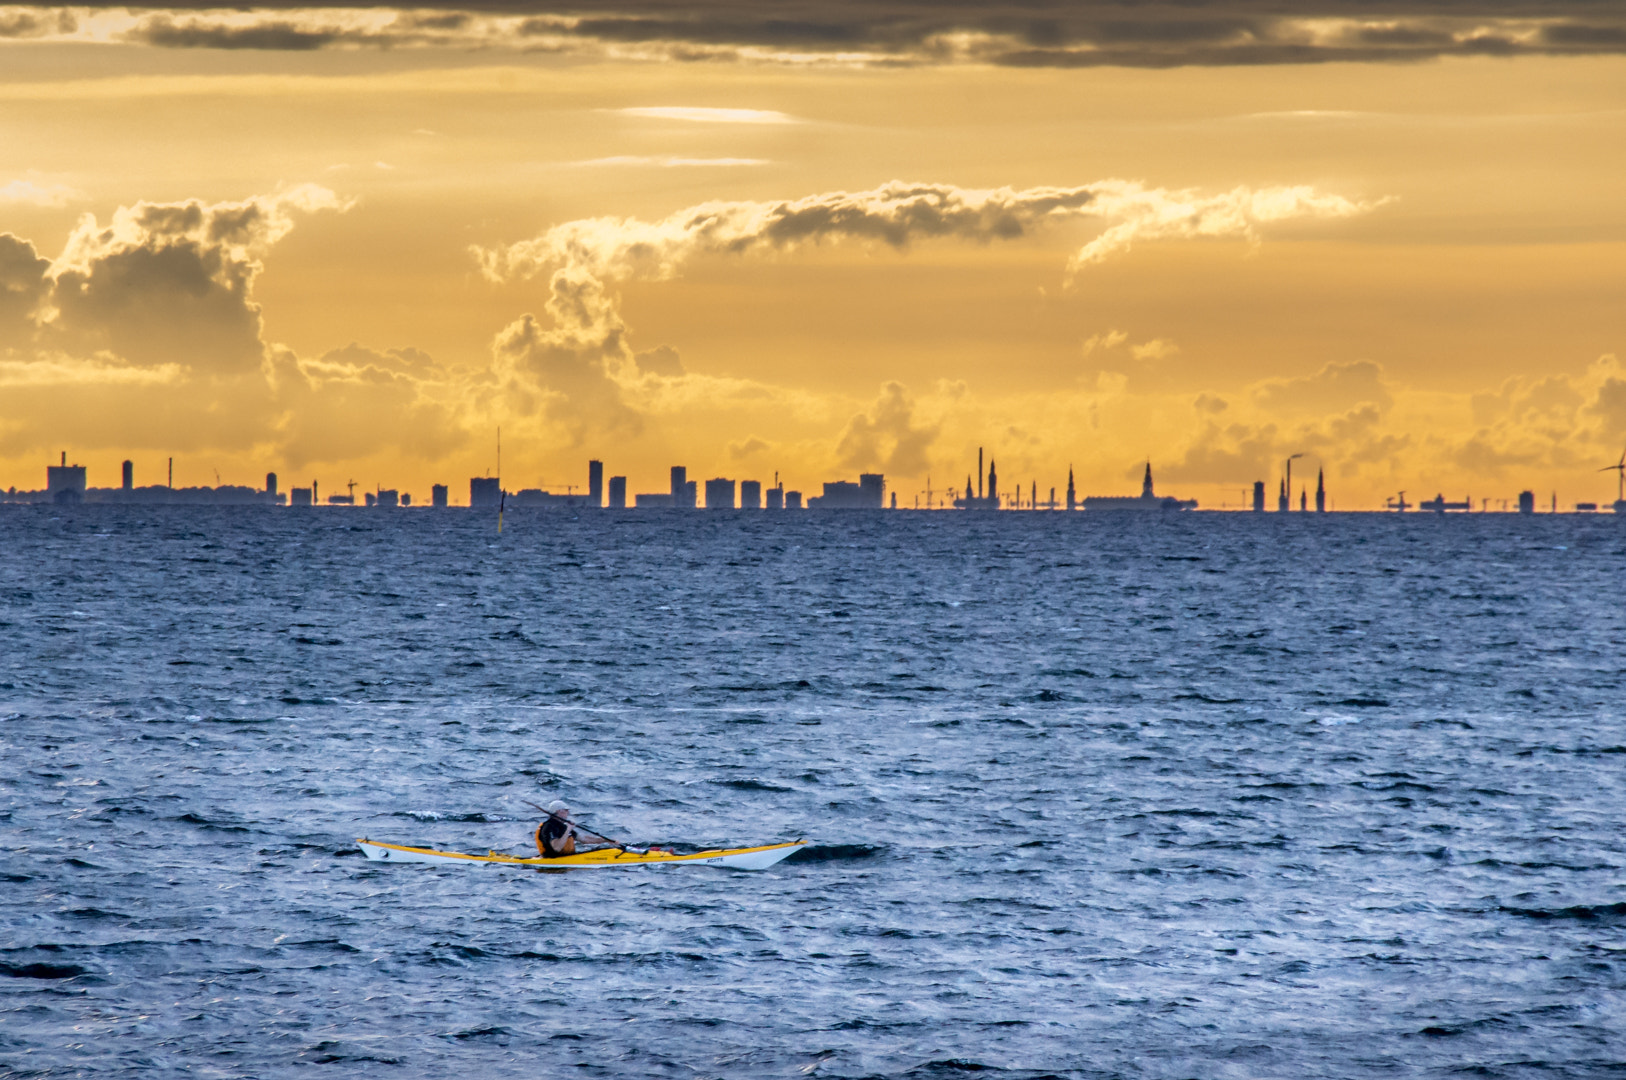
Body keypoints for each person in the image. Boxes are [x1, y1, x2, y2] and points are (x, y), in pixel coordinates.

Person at [534, 801, 611, 858]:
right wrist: (568, 829)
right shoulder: (549, 827)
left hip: (567, 857)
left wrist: (606, 840)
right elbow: (557, 848)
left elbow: (584, 839)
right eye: (566, 810)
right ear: (559, 811)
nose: (568, 812)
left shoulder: (563, 826)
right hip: (554, 859)